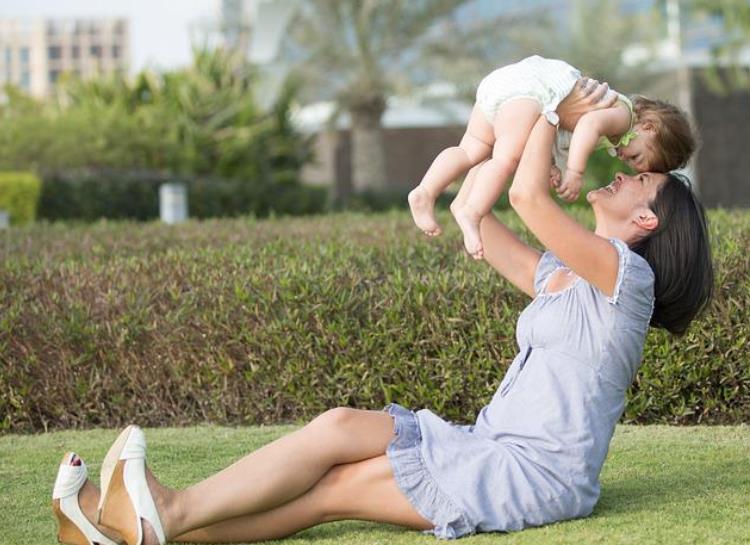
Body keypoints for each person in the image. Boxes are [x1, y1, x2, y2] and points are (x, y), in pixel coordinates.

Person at [51, 92, 713, 545]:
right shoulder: (563, 275)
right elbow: (480, 212)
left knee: (336, 489)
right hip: (484, 441)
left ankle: (157, 517)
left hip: (533, 474)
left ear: (647, 220)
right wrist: (507, 129)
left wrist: (549, 95)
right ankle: (132, 525)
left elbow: (527, 196)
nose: (623, 174)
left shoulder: (630, 280)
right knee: (338, 428)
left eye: (639, 183)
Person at [408, 54, 696, 259]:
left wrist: (550, 165)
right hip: (533, 91)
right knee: (505, 159)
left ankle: (425, 191)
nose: (626, 161)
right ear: (649, 128)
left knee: (471, 149)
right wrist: (574, 172)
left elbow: (557, 128)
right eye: (636, 159)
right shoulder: (623, 116)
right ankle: (472, 211)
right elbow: (586, 124)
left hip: (507, 85)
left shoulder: (614, 125)